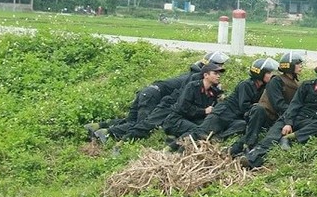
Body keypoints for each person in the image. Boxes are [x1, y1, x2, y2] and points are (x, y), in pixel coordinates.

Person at [89, 51, 229, 143]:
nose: (219, 73)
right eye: (218, 68)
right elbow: (183, 101)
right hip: (156, 98)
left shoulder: (195, 76)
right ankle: (111, 137)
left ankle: (100, 127)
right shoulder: (194, 80)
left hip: (149, 92)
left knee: (136, 122)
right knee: (145, 125)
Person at [239, 55, 317, 168]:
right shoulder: (306, 86)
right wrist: (288, 123)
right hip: (295, 117)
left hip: (311, 122)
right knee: (271, 138)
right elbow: (294, 105)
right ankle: (251, 159)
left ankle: (288, 138)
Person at [229, 50, 303, 157]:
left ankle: (247, 152)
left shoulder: (297, 84)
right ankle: (248, 146)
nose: (301, 66)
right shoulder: (276, 81)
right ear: (290, 66)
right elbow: (278, 104)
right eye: (298, 64)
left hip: (278, 119)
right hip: (263, 115)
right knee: (258, 109)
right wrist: (291, 113)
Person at [189, 58, 279, 142]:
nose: (272, 75)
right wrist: (255, 108)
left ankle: (217, 139)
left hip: (235, 117)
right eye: (269, 73)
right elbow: (244, 106)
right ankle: (179, 145)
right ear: (260, 73)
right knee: (200, 132)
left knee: (242, 126)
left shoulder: (263, 88)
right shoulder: (246, 85)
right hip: (223, 112)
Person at [161, 63, 226, 137]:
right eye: (215, 73)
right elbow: (183, 108)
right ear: (206, 75)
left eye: (219, 74)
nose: (218, 76)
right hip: (176, 120)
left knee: (210, 129)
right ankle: (172, 145)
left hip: (192, 120)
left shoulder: (213, 92)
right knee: (199, 131)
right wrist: (204, 111)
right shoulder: (192, 87)